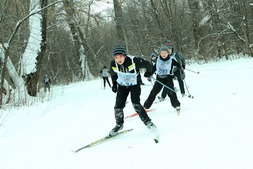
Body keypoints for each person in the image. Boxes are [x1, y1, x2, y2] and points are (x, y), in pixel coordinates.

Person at [109, 45, 157, 136]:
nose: (119, 59)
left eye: (120, 57)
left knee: (136, 104)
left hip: (134, 84)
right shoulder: (113, 64)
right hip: (122, 86)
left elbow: (148, 64)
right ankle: (119, 125)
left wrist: (149, 73)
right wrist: (114, 85)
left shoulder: (133, 60)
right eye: (116, 57)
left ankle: (149, 123)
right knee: (118, 106)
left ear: (124, 56)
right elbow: (113, 75)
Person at [143, 46, 185, 112]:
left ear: (168, 53)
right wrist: (148, 73)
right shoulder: (158, 60)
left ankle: (176, 105)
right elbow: (153, 68)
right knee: (153, 92)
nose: (163, 54)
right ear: (160, 54)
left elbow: (178, 65)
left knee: (171, 92)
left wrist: (181, 67)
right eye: (162, 53)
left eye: (165, 53)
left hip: (168, 78)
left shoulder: (171, 60)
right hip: (159, 78)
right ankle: (146, 106)